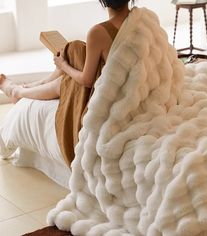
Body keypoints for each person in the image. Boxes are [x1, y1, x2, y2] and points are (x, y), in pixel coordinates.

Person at [0, 0, 135, 165]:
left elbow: (86, 80)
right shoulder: (140, 21)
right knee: (76, 49)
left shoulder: (98, 32)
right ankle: (28, 87)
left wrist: (62, 65)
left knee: (66, 77)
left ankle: (18, 91)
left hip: (108, 98)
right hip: (125, 86)